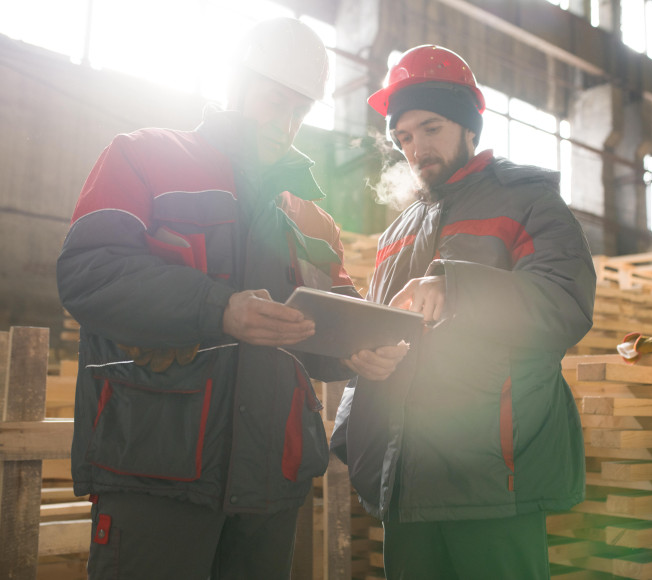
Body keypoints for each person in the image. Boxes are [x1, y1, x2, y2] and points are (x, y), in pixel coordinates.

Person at [57, 17, 407, 580]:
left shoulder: (313, 221)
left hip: (269, 483)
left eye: (301, 110)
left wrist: (361, 350)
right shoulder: (143, 158)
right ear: (237, 85)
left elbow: (328, 336)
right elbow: (89, 272)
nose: (287, 124)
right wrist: (218, 309)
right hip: (156, 471)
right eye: (276, 101)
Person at [330, 45, 596, 579]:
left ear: (469, 127)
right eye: (405, 137)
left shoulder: (528, 201)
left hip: (492, 480)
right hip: (406, 479)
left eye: (431, 128)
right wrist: (364, 359)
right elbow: (382, 329)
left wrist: (457, 288)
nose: (417, 148)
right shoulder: (396, 233)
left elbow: (564, 303)